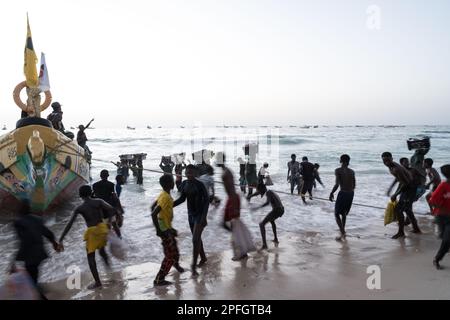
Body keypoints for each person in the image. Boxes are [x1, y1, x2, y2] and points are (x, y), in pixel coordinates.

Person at [59, 185, 116, 289]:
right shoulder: (98, 201)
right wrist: (110, 223)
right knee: (102, 252)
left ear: (80, 195)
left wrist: (61, 239)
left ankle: (98, 282)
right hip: (102, 229)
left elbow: (70, 224)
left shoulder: (80, 208)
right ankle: (111, 272)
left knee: (91, 257)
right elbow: (112, 209)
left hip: (92, 232)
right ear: (91, 192)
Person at [12, 200, 61, 299]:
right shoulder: (37, 219)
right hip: (40, 253)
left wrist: (13, 262)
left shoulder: (18, 223)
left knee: (31, 281)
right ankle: (40, 289)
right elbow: (48, 233)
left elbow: (24, 241)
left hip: (30, 256)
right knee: (33, 277)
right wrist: (54, 243)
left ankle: (41, 295)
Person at [217, 152, 255, 260]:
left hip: (233, 199)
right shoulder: (225, 171)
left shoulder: (225, 173)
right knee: (234, 224)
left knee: (229, 224)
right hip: (233, 198)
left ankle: (241, 250)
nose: (216, 162)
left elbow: (231, 190)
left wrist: (233, 204)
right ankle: (243, 249)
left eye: (217, 160)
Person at [173, 165, 210, 276]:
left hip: (200, 215)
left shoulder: (200, 185)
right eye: (187, 172)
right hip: (191, 215)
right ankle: (203, 258)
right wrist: (170, 205)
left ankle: (193, 266)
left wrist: (204, 217)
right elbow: (182, 199)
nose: (189, 174)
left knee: (195, 240)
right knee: (197, 238)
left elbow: (207, 201)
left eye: (191, 173)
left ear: (195, 173)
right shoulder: (185, 184)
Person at [151, 175, 185, 286]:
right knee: (169, 255)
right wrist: (159, 230)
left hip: (166, 226)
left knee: (174, 247)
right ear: (169, 184)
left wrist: (182, 198)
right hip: (164, 229)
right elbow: (154, 213)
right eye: (172, 181)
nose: (174, 183)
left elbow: (155, 206)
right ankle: (159, 279)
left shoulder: (164, 195)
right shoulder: (165, 197)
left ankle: (176, 265)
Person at [382, 152, 421, 239]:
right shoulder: (391, 166)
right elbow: (398, 178)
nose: (386, 163)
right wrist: (391, 188)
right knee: (407, 209)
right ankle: (416, 228)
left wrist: (395, 194)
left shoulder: (396, 168)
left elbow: (406, 182)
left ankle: (401, 232)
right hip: (408, 188)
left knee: (398, 209)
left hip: (409, 189)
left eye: (388, 160)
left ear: (392, 159)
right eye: (384, 161)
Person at [329, 154, 356, 241]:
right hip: (351, 193)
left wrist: (332, 193)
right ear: (348, 161)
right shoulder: (352, 171)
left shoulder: (338, 170)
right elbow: (354, 185)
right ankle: (342, 231)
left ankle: (343, 233)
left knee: (336, 214)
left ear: (340, 161)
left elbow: (337, 184)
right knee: (344, 214)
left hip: (343, 193)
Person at [429, 165, 450, 270]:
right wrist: (440, 207)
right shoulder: (443, 185)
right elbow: (432, 200)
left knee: (446, 240)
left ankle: (437, 259)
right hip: (442, 217)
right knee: (443, 238)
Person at [93, 170, 123, 237]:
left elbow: (93, 196)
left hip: (99, 208)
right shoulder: (111, 185)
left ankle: (104, 241)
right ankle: (119, 239)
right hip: (108, 207)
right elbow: (114, 197)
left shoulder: (94, 185)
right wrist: (119, 209)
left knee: (100, 225)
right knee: (114, 224)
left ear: (100, 176)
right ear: (108, 176)